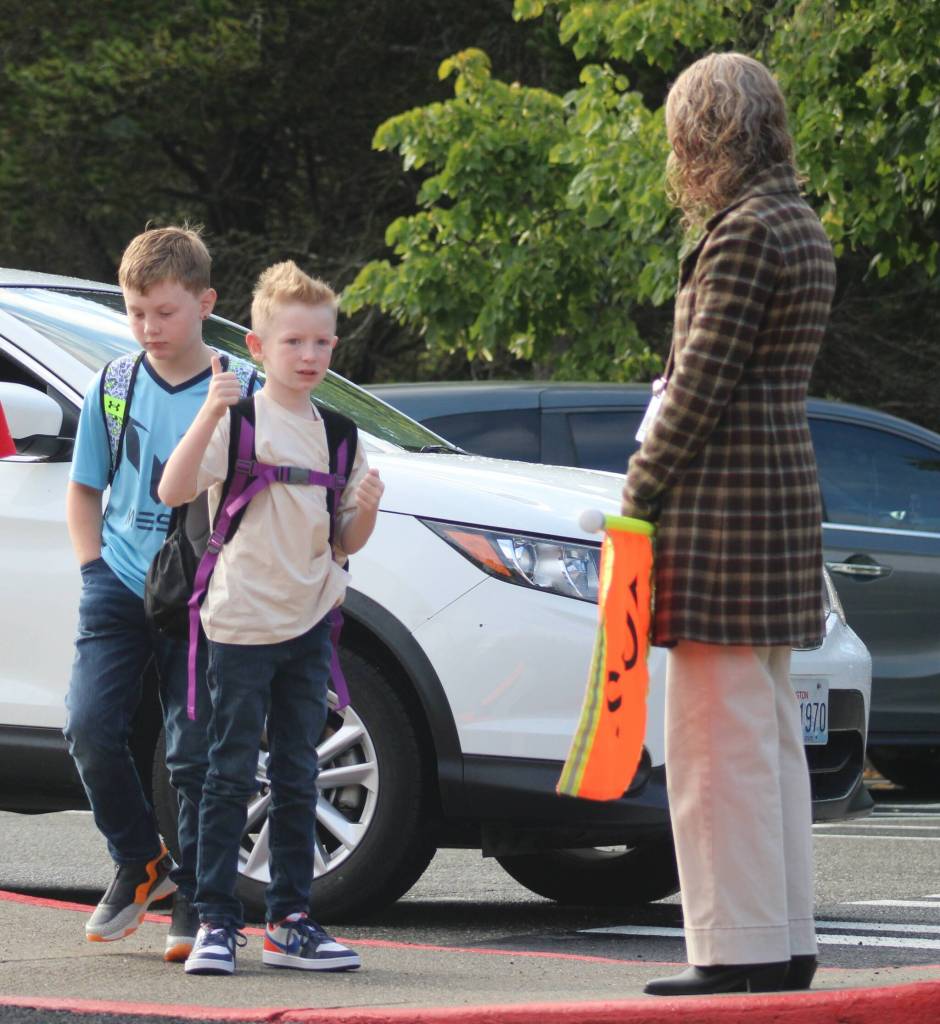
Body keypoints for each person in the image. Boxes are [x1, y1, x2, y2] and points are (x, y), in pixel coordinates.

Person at [621, 53, 836, 996]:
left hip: (720, 508)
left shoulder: (743, 233)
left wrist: (637, 486)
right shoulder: (802, 224)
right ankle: (782, 938)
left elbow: (698, 383)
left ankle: (736, 950)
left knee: (713, 747)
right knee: (767, 738)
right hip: (781, 498)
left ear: (705, 135)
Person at [158, 260, 383, 976]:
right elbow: (174, 487)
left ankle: (291, 921)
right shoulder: (241, 420)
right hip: (238, 623)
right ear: (258, 346)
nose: (309, 356)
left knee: (296, 774)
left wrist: (367, 509)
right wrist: (209, 411)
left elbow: (343, 539)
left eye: (321, 343)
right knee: (228, 774)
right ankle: (217, 919)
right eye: (294, 343)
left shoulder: (341, 434)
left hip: (310, 621)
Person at [64, 226, 257, 961]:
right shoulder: (113, 385)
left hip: (204, 593)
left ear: (205, 303)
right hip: (116, 581)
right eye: (137, 311)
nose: (149, 327)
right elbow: (85, 492)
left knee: (192, 750)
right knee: (87, 726)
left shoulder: (244, 391)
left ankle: (203, 899)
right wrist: (92, 571)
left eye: (165, 312)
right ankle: (140, 860)